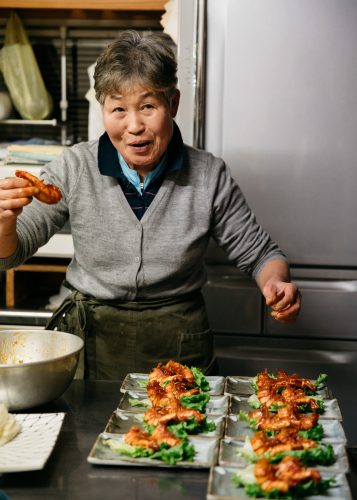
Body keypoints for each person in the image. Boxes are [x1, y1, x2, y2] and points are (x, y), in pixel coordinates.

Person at [0, 30, 301, 380]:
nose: (134, 127)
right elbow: (10, 255)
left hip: (180, 348)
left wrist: (276, 285)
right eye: (118, 109)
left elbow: (262, 254)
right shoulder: (74, 167)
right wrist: (5, 222)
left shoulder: (207, 174)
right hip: (92, 344)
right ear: (103, 110)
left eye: (147, 106)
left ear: (172, 104)